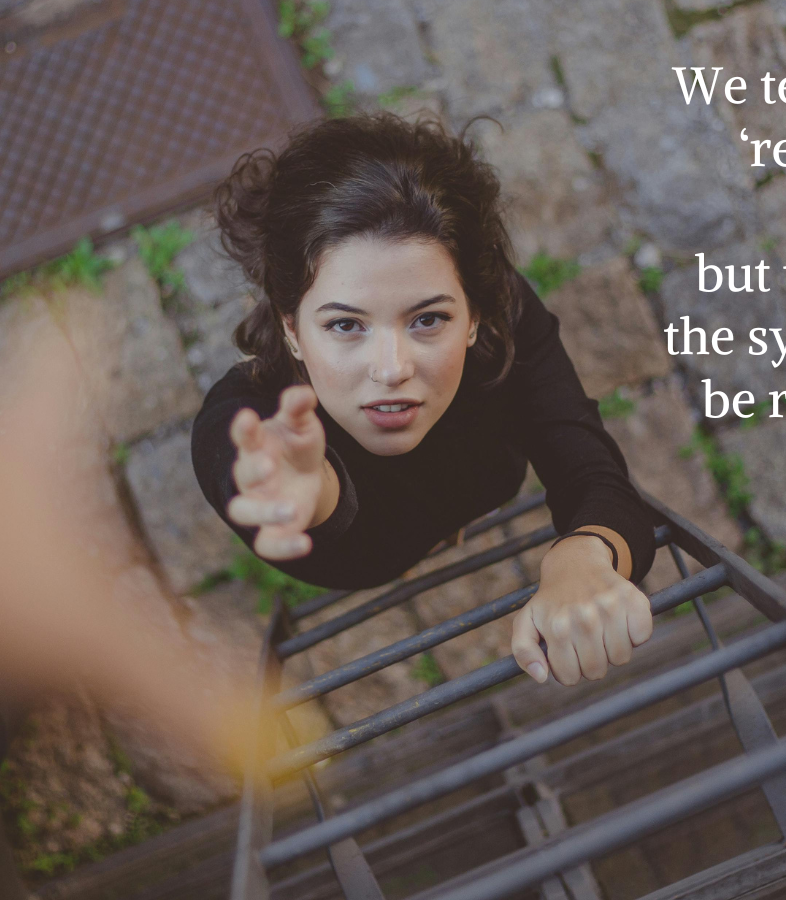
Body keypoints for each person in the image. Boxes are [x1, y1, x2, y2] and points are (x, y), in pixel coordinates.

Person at [191, 111, 657, 688]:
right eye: (345, 326)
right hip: (373, 549)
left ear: (475, 315)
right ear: (290, 329)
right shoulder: (253, 413)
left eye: (428, 319)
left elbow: (589, 468)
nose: (392, 370)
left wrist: (583, 556)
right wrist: (292, 487)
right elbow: (230, 448)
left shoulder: (501, 319)